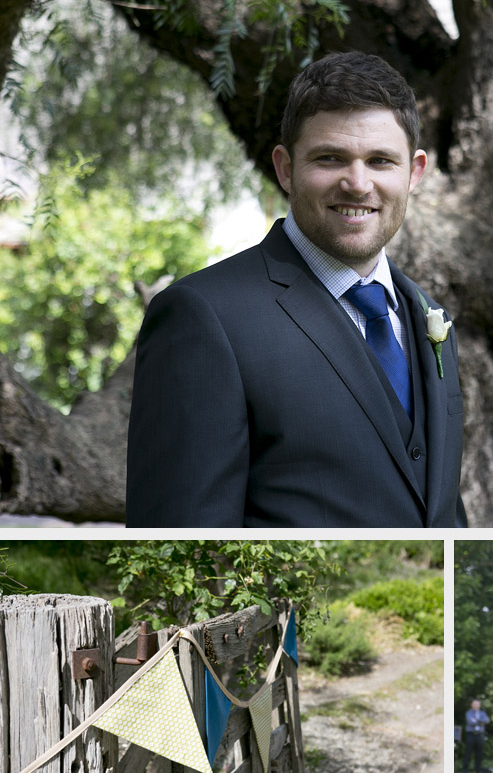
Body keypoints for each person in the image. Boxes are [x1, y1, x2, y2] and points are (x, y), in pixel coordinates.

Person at [126, 52, 466, 527]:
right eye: (330, 158)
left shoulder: (430, 318)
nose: (357, 183)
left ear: (414, 173)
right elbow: (184, 535)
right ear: (285, 168)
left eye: (381, 161)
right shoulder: (203, 317)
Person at [463, 699, 489, 773]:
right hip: (471, 734)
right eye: (474, 704)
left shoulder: (482, 713)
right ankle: (465, 771)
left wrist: (477, 720)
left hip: (480, 735)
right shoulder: (468, 713)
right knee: (468, 753)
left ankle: (478, 771)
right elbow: (470, 722)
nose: (476, 705)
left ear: (479, 705)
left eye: (477, 704)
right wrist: (481, 721)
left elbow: (487, 720)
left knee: (479, 753)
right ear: (471, 705)